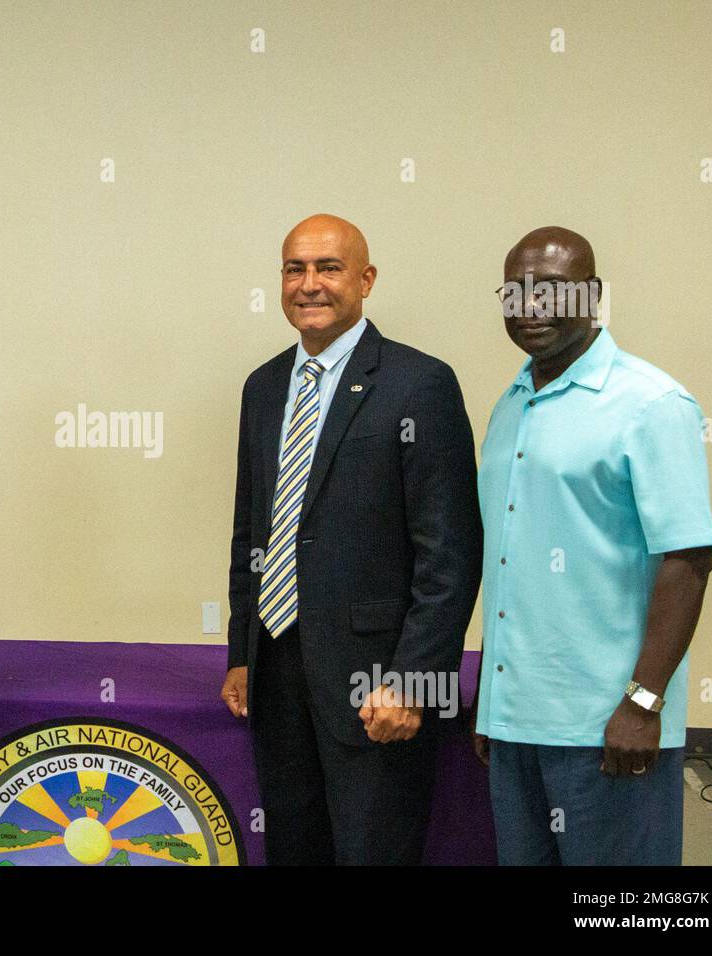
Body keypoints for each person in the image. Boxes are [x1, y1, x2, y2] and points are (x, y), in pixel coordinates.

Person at [222, 214, 482, 865]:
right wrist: (241, 651)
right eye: (294, 268)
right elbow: (253, 531)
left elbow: (450, 554)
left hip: (378, 682)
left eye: (328, 268)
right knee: (294, 848)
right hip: (278, 674)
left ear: (365, 280)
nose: (309, 284)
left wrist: (415, 682)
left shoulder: (418, 384)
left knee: (373, 853)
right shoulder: (263, 387)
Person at [473, 227, 712, 865]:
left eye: (553, 291)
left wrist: (643, 701)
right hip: (517, 726)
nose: (532, 307)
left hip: (611, 728)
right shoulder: (511, 405)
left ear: (594, 295)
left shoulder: (651, 403)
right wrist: (493, 710)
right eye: (516, 291)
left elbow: (688, 560)